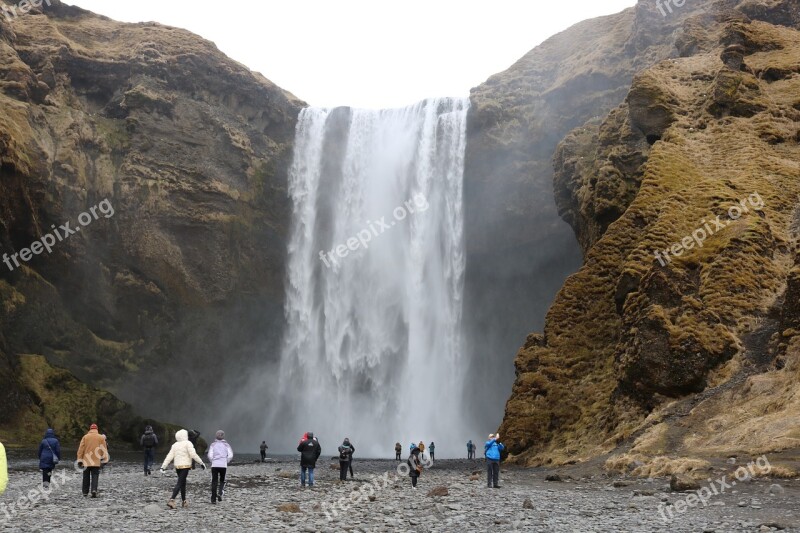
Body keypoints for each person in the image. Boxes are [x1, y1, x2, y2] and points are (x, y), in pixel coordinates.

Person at [160, 429, 206, 509]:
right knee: (180, 482)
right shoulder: (188, 443)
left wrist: (163, 467)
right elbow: (193, 454)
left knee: (182, 483)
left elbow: (169, 456)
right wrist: (201, 463)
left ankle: (184, 501)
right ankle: (172, 500)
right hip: (185, 466)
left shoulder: (175, 445)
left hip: (177, 466)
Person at [77, 423, 109, 498]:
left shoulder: (85, 437)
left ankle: (85, 492)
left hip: (86, 461)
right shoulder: (101, 438)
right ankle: (94, 490)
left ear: (90, 429)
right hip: (96, 461)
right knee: (95, 476)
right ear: (97, 429)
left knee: (86, 476)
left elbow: (81, 449)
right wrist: (105, 459)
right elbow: (104, 449)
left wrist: (79, 460)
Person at [208, 430, 233, 504]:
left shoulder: (213, 445)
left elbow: (210, 455)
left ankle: (213, 499)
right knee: (222, 480)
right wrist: (226, 461)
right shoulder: (226, 445)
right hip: (223, 465)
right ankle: (220, 493)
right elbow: (230, 455)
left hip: (215, 465)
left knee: (214, 481)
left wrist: (212, 461)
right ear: (223, 436)